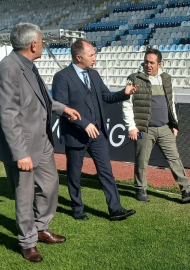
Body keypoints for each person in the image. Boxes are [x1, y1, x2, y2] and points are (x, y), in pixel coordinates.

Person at [0, 23, 81, 263]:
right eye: (41, 40)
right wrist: (20, 153)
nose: (42, 44)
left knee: (50, 187)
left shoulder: (28, 66)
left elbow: (43, 99)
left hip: (42, 141)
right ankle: (27, 242)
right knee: (24, 196)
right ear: (33, 44)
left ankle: (41, 228)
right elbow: (7, 115)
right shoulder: (8, 69)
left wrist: (63, 109)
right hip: (22, 146)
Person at [52, 39, 138, 222]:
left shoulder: (94, 75)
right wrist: (84, 124)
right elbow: (61, 107)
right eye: (91, 55)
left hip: (97, 134)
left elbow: (107, 96)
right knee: (74, 174)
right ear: (78, 56)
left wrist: (124, 93)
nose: (95, 58)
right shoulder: (62, 77)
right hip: (76, 135)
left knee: (106, 171)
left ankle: (115, 209)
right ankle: (77, 208)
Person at [122, 48, 190, 203]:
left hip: (165, 127)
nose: (148, 65)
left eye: (152, 62)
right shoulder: (135, 78)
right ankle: (140, 189)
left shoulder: (166, 78)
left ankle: (187, 190)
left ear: (159, 64)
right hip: (144, 128)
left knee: (175, 159)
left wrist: (174, 124)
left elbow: (170, 102)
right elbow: (127, 104)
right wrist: (131, 127)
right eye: (146, 61)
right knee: (142, 160)